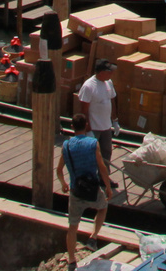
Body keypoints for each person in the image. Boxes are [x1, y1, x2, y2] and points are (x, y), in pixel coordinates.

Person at [56, 114, 113, 268]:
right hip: (93, 190)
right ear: (87, 125)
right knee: (103, 208)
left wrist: (63, 184)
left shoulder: (67, 146)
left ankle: (72, 260)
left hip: (75, 190)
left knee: (73, 226)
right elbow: (102, 167)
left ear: (72, 127)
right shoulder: (93, 143)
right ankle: (93, 238)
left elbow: (59, 170)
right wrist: (107, 186)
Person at [76, 60, 118, 164]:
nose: (112, 74)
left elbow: (112, 101)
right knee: (92, 156)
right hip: (94, 128)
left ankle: (105, 178)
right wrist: (88, 130)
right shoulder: (88, 86)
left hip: (106, 127)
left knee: (106, 154)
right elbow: (83, 111)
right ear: (101, 73)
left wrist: (115, 121)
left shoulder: (109, 82)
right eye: (109, 72)